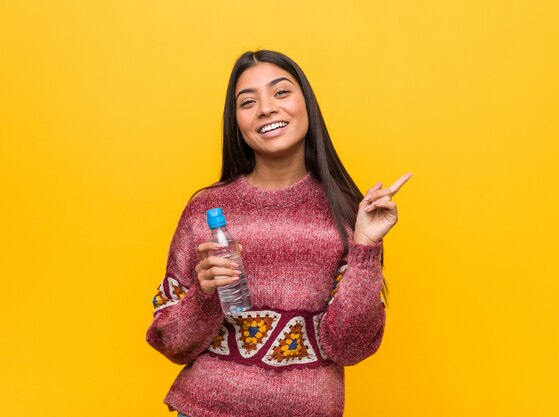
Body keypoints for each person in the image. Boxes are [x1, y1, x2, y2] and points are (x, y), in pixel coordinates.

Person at [146, 49, 411, 417]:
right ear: (236, 121)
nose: (266, 109)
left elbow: (349, 346)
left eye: (281, 92)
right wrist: (204, 296)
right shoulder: (206, 211)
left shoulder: (349, 213)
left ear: (307, 104)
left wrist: (366, 246)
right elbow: (170, 342)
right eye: (248, 101)